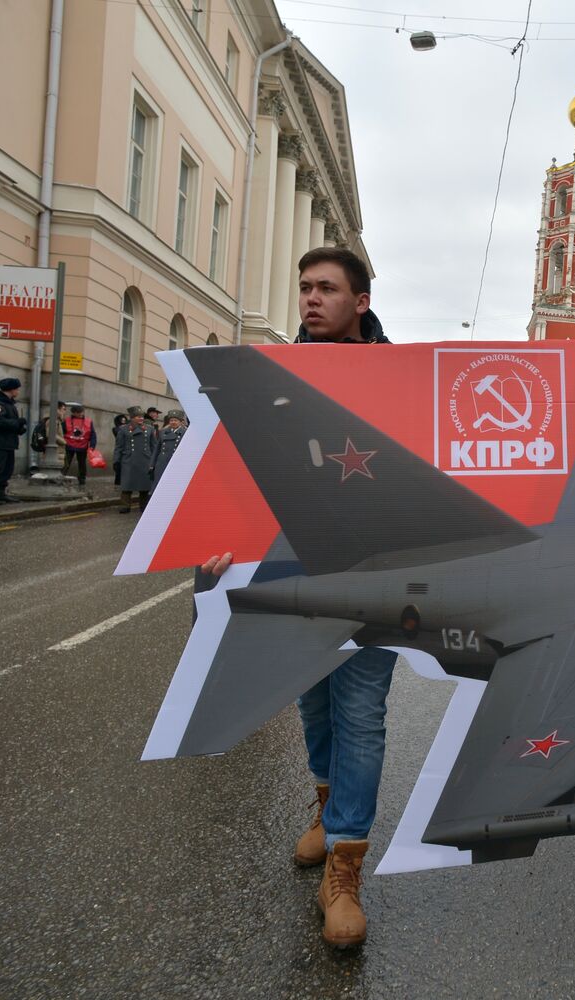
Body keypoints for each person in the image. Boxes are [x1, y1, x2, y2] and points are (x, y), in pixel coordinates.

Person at [203, 246, 393, 948]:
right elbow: (231, 470)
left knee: (362, 713)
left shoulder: (398, 380)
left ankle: (344, 864)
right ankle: (325, 810)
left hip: (373, 573)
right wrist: (218, 539)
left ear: (360, 301)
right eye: (305, 286)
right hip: (290, 570)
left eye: (327, 288)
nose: (311, 298)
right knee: (311, 699)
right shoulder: (268, 378)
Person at [114, 406, 156, 513]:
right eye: (138, 417)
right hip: (128, 460)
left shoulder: (150, 429)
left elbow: (154, 447)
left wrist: (154, 461)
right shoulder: (123, 429)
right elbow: (118, 447)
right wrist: (116, 460)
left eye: (142, 416)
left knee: (144, 485)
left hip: (145, 460)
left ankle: (144, 506)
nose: (141, 418)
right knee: (127, 484)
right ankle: (125, 506)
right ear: (132, 418)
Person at [62, 403, 96, 485]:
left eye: (82, 412)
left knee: (82, 464)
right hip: (69, 446)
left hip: (82, 446)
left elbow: (93, 434)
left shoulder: (88, 421)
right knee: (66, 463)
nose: (81, 414)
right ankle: (61, 477)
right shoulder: (66, 421)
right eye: (79, 412)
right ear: (73, 413)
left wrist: (92, 445)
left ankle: (82, 479)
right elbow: (61, 432)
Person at [151, 410, 185, 485]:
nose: (173, 422)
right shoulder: (163, 432)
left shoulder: (185, 433)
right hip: (162, 462)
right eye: (171, 420)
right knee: (159, 484)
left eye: (175, 420)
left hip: (176, 463)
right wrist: (152, 464)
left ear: (180, 422)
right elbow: (157, 449)